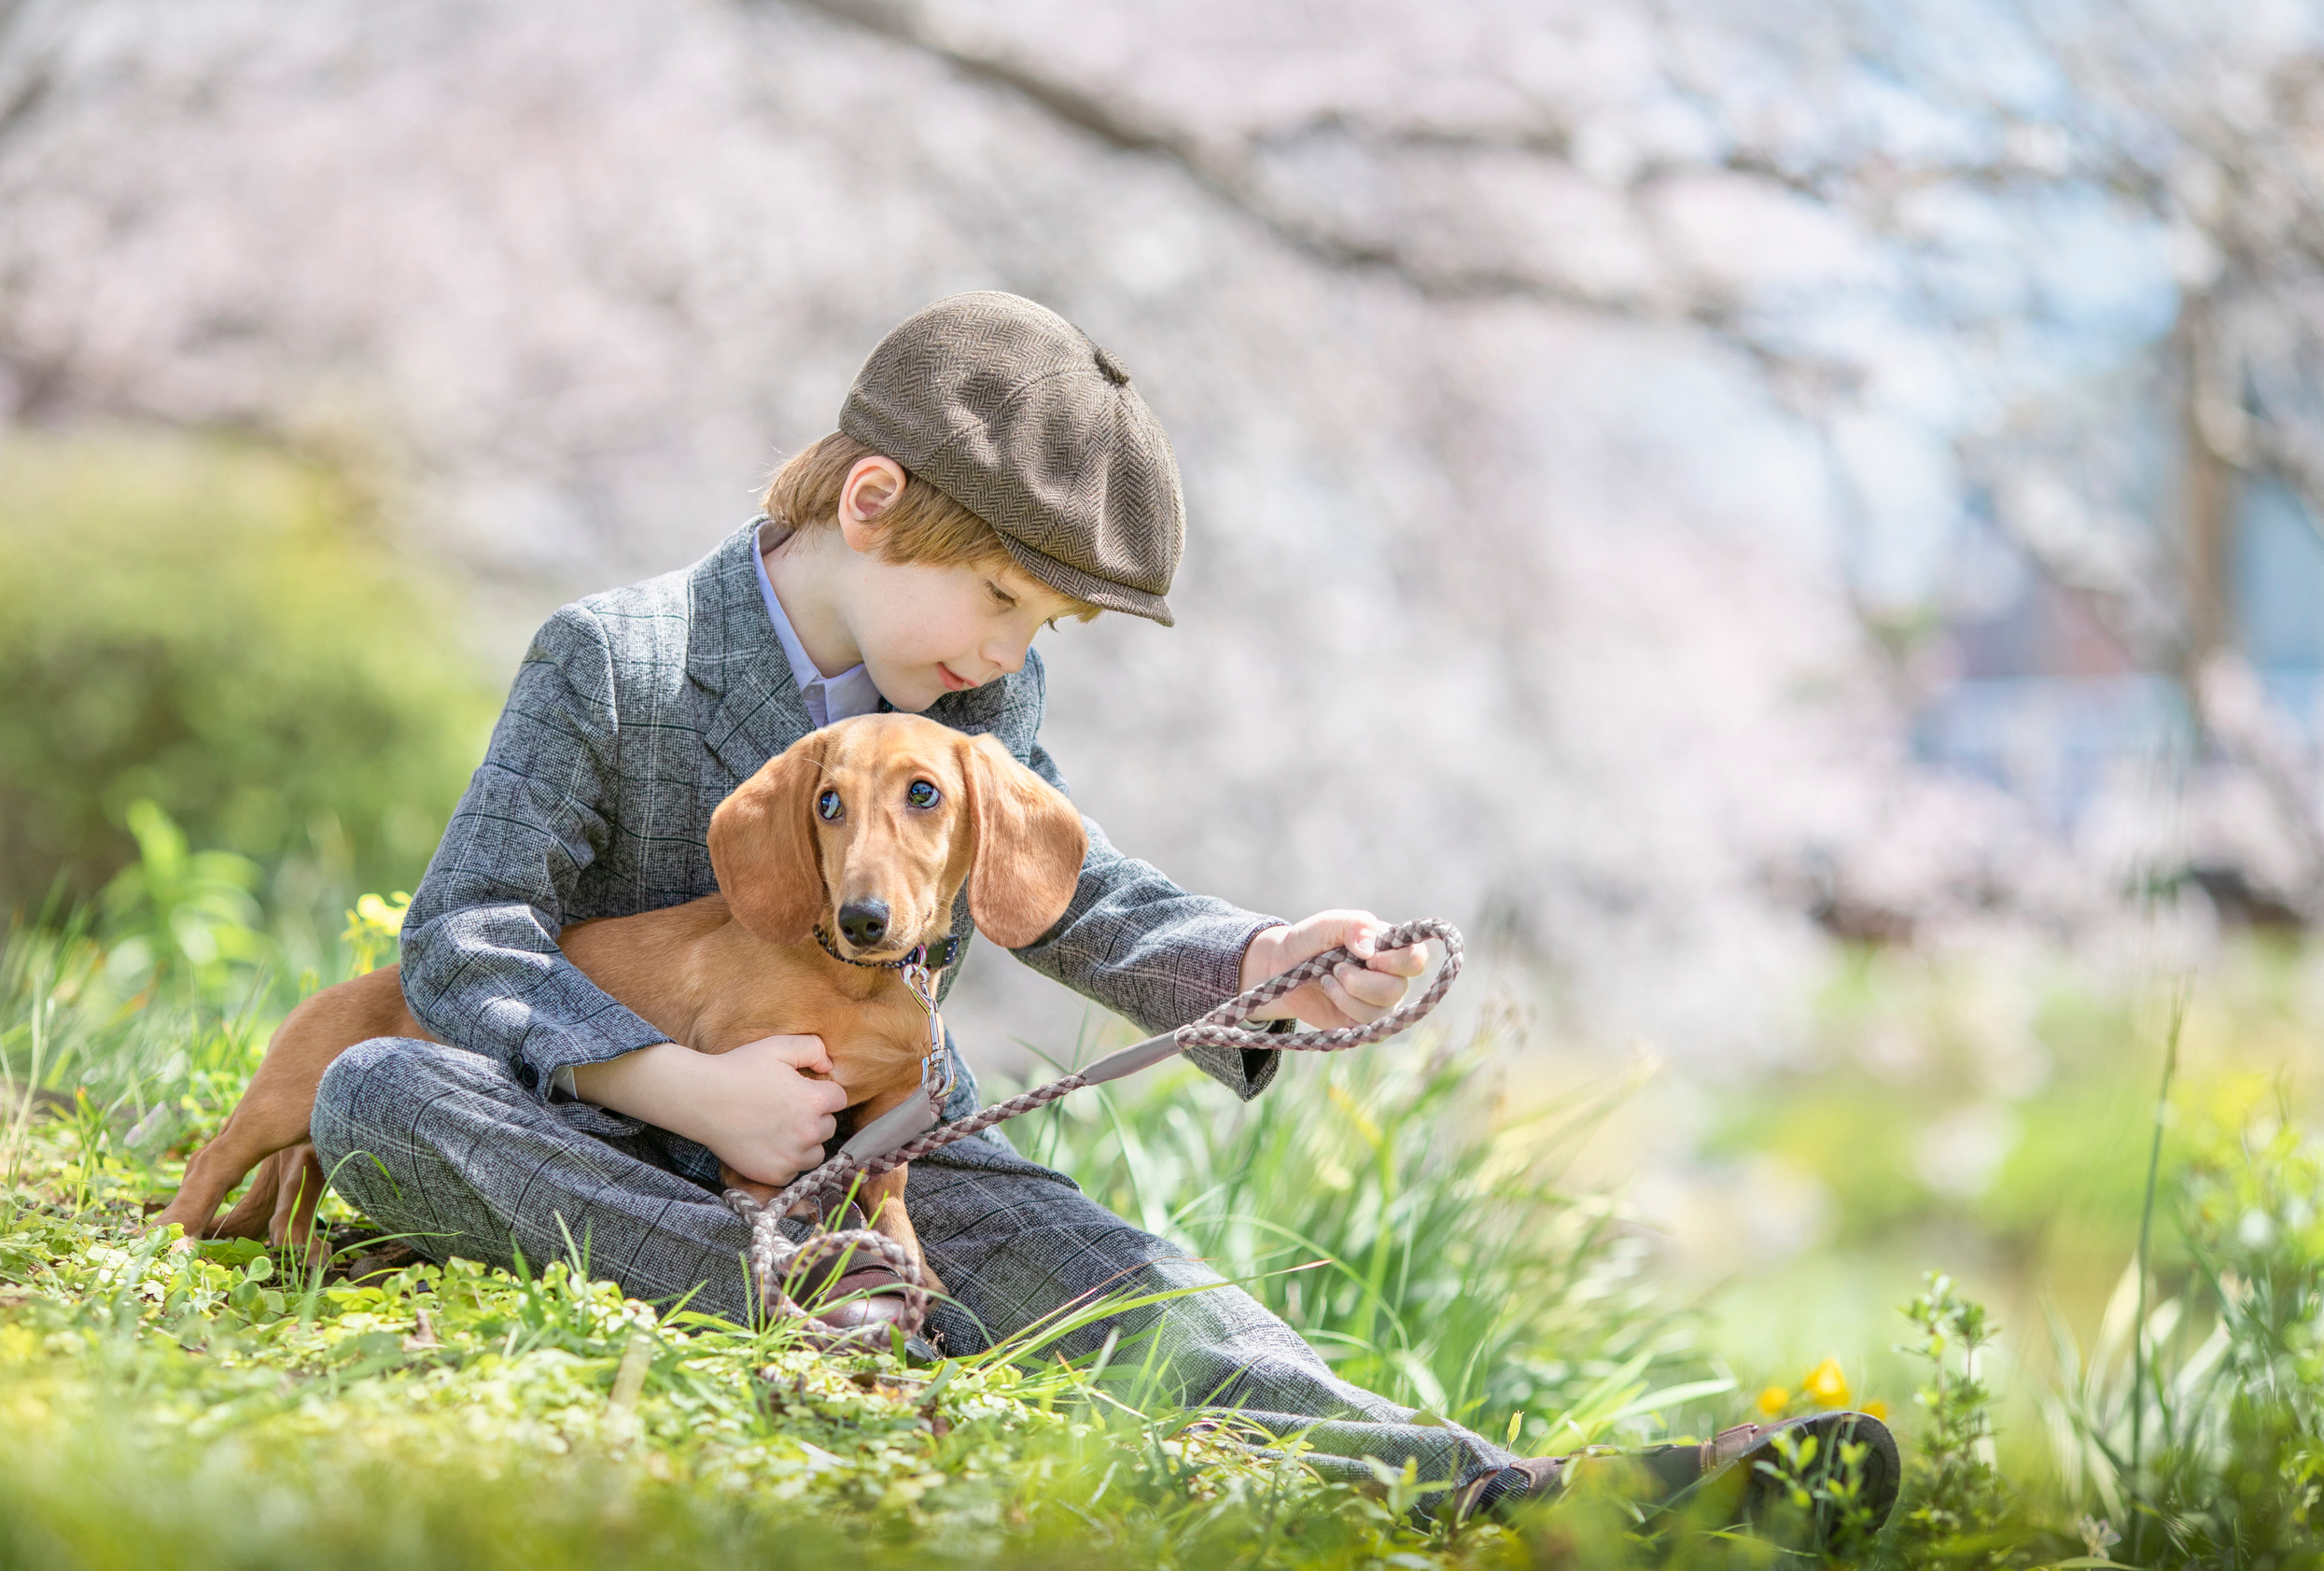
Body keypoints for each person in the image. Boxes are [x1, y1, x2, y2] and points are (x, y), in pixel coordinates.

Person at [310, 291, 1895, 1522]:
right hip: (599, 1124)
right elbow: (467, 934)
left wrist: (1254, 963)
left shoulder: (974, 703)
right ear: (871, 499)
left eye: (1045, 621)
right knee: (376, 1093)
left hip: (882, 1158)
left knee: (1105, 1259)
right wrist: (675, 1085)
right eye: (1000, 598)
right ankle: (868, 1314)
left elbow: (1056, 890)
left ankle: (1503, 1492)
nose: (1009, 651)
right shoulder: (618, 658)